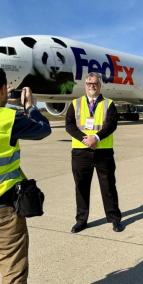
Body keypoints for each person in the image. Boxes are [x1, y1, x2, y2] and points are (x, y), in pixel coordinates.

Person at [0, 68, 51, 283]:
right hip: (4, 207)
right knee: (13, 269)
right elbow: (42, 128)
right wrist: (30, 106)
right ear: (3, 89)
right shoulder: (8, 118)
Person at [65, 72, 124, 233]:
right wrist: (85, 138)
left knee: (108, 187)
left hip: (103, 152)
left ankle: (114, 219)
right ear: (85, 85)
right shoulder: (75, 103)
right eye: (89, 83)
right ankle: (81, 220)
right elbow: (69, 125)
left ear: (100, 85)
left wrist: (96, 137)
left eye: (95, 83)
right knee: (81, 187)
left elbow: (111, 125)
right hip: (80, 152)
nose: (92, 86)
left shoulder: (109, 103)